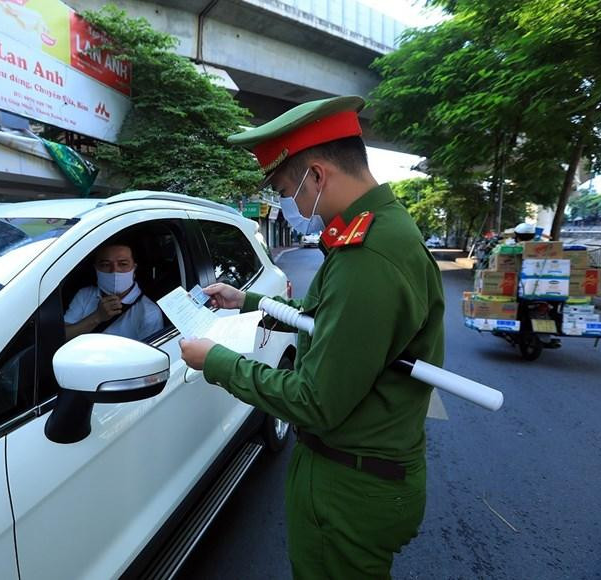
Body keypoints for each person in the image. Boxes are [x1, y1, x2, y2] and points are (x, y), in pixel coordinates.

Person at [179, 95, 445, 578]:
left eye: (286, 189)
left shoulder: (368, 257)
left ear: (317, 176)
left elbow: (315, 401)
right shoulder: (378, 231)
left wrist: (216, 361)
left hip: (350, 487)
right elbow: (329, 319)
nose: (287, 204)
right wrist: (252, 302)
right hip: (357, 472)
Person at [64, 242, 164, 342]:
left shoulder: (149, 312)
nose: (114, 270)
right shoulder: (84, 295)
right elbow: (62, 336)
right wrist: (97, 317)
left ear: (134, 268)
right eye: (105, 264)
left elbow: (148, 355)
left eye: (123, 264)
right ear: (96, 269)